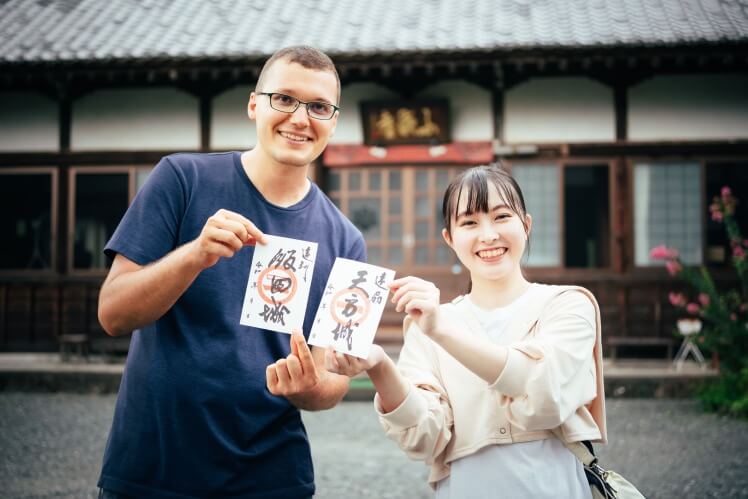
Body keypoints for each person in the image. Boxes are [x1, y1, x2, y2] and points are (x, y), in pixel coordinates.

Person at [96, 46, 365, 499]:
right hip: (153, 466)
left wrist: (308, 387)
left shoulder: (346, 239)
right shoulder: (182, 179)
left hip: (273, 476)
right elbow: (112, 314)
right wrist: (195, 255)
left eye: (319, 106)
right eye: (284, 99)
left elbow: (333, 381)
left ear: (333, 121)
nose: (300, 118)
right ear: (254, 104)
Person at [325, 165, 607, 498]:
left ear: (526, 225)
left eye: (502, 217)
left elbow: (544, 391)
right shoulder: (426, 326)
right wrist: (379, 365)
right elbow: (426, 435)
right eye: (469, 222)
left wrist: (442, 331)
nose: (488, 235)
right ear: (450, 238)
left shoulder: (568, 304)